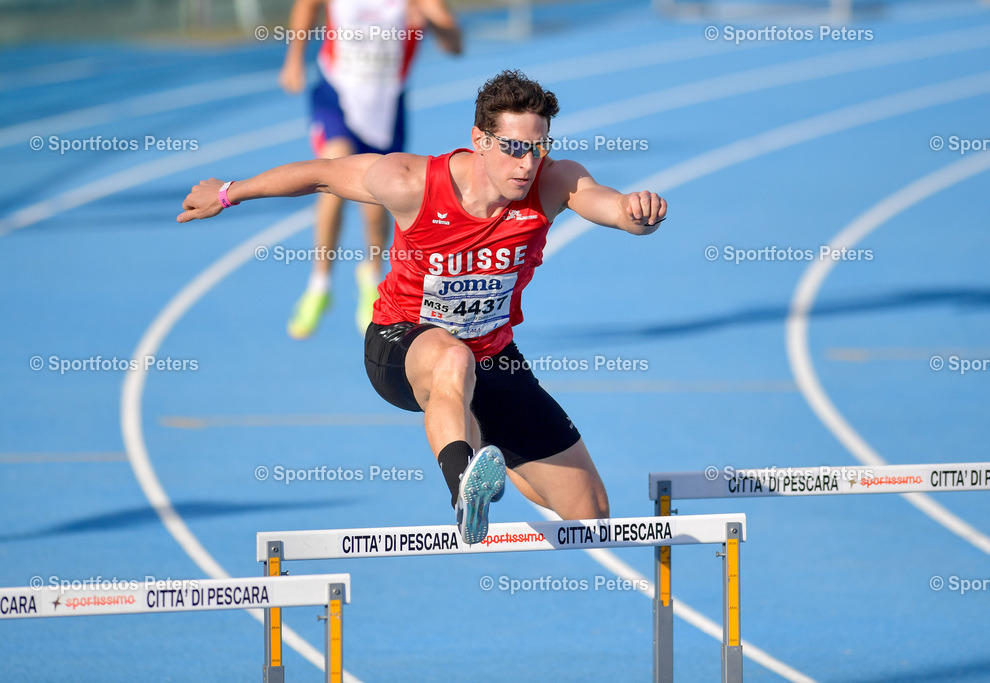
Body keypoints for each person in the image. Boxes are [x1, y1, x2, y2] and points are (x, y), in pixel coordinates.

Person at [179, 70, 667, 543]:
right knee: (450, 358)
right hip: (400, 343)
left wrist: (635, 212)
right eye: (514, 148)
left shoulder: (554, 183)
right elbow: (321, 176)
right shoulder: (411, 181)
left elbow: (607, 205)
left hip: (492, 356)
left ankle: (488, 449)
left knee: (593, 516)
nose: (527, 164)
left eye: (539, 148)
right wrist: (227, 192)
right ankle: (464, 492)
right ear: (479, 139)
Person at [279, 0, 462, 338]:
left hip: (385, 108)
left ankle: (370, 276)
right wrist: (294, 58)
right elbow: (308, 5)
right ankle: (319, 285)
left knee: (376, 206)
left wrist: (434, 21)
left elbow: (454, 45)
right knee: (331, 175)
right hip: (336, 94)